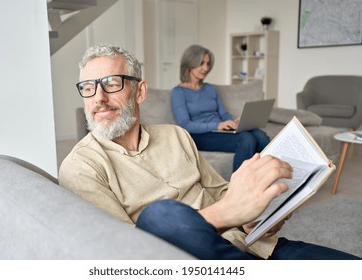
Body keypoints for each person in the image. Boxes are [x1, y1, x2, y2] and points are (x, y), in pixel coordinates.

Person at [59, 43, 359, 260]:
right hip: (189, 260)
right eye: (88, 87)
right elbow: (124, 251)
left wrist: (264, 213)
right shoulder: (81, 167)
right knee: (161, 214)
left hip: (254, 247)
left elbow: (221, 193)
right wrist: (230, 212)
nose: (98, 97)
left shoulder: (176, 136)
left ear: (140, 92)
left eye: (111, 84)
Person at [171, 44, 270, 171]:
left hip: (219, 130)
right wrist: (217, 126)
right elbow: (186, 125)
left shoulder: (210, 88)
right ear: (190, 64)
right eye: (201, 63)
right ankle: (239, 187)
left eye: (208, 64)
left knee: (260, 136)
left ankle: (273, 179)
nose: (206, 68)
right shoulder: (178, 92)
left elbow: (223, 114)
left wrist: (235, 121)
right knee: (246, 139)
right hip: (198, 135)